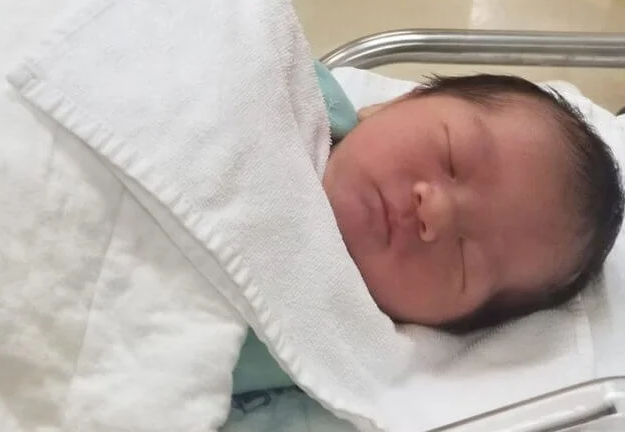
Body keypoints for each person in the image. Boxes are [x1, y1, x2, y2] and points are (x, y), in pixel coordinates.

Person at [233, 70, 624, 395]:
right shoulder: (290, 80)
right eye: (452, 156)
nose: (434, 213)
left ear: (438, 327)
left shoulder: (310, 346)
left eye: (465, 260)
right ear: (396, 103)